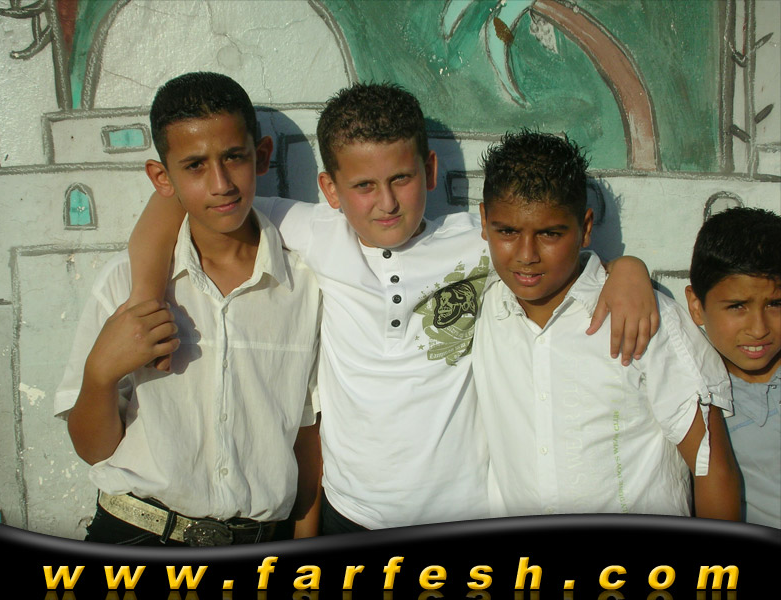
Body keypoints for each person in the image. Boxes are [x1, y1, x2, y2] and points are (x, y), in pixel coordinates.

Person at [126, 83, 660, 533]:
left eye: (401, 179)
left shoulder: (479, 240)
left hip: (464, 512)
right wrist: (146, 301)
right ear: (330, 189)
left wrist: (626, 267)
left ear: (429, 169)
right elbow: (174, 201)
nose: (386, 202)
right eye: (363, 186)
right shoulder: (313, 231)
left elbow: (554, 250)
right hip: (350, 513)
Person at [54, 72, 322, 545]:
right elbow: (94, 450)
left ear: (261, 156)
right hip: (136, 534)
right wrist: (99, 375)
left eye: (234, 157)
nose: (220, 183)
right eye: (195, 165)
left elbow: (307, 435)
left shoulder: (305, 287)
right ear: (162, 177)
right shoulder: (125, 284)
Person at [474, 129, 740, 519]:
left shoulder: (644, 317)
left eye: (550, 234)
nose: (526, 255)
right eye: (508, 232)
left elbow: (711, 465)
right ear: (484, 221)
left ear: (585, 227)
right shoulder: (483, 305)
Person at [685, 207, 781, 528]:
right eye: (737, 306)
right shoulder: (696, 392)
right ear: (696, 306)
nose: (759, 329)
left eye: (775, 304)